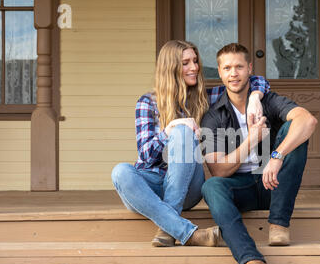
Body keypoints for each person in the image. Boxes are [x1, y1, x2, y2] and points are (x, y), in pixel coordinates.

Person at [111, 40, 270, 248]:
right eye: (186, 62)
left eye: (195, 61)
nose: (194, 67)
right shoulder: (147, 103)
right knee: (119, 172)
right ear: (171, 67)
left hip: (188, 186)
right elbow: (146, 156)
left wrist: (255, 98)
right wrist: (169, 130)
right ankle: (187, 232)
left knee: (184, 132)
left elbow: (254, 80)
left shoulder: (206, 97)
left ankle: (169, 226)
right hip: (151, 186)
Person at [200, 43, 318, 264]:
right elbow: (219, 170)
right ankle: (253, 262)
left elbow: (308, 120)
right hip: (240, 187)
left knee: (293, 131)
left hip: (273, 184)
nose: (234, 73)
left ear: (249, 69)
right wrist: (251, 140)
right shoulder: (213, 115)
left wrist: (276, 155)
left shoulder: (269, 100)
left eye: (239, 67)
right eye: (228, 68)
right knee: (211, 186)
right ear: (220, 73)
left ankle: (279, 224)